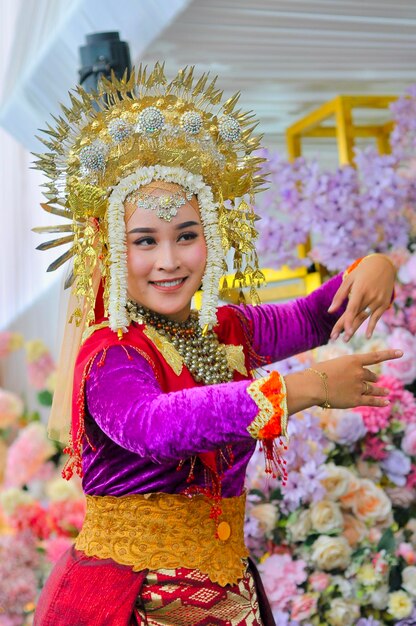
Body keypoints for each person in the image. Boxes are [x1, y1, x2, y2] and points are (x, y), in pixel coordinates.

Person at [33, 64, 399, 626]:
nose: (169, 260)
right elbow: (157, 427)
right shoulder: (111, 353)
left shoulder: (226, 328)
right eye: (144, 241)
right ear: (108, 248)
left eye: (186, 235)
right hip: (131, 601)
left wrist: (374, 266)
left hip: (228, 595)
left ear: (212, 238)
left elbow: (309, 316)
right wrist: (304, 390)